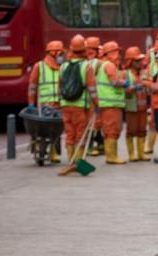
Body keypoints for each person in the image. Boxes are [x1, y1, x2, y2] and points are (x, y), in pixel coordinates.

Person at [59, 35, 96, 163]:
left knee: (69, 133)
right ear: (84, 50)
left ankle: (71, 160)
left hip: (65, 105)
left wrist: (60, 102)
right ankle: (79, 162)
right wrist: (97, 104)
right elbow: (92, 88)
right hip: (80, 106)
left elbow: (60, 86)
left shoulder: (63, 66)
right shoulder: (87, 66)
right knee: (81, 134)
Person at [27, 40, 64, 162]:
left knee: (56, 130)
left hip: (59, 104)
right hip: (44, 104)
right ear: (52, 52)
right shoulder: (39, 66)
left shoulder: (62, 67)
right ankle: (40, 146)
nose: (61, 55)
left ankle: (53, 152)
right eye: (60, 52)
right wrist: (31, 103)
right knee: (44, 130)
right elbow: (32, 86)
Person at [94, 41, 129, 164]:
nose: (119, 55)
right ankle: (112, 156)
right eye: (117, 52)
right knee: (112, 131)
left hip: (107, 104)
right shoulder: (109, 65)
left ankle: (111, 155)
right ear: (111, 53)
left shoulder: (102, 65)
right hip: (111, 105)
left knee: (110, 130)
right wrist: (124, 83)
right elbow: (114, 82)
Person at [124, 46, 150, 162]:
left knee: (142, 130)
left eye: (141, 60)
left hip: (143, 108)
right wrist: (134, 88)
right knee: (131, 130)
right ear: (131, 61)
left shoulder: (143, 73)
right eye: (137, 60)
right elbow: (123, 90)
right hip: (132, 107)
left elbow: (149, 88)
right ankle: (131, 154)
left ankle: (141, 154)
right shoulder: (125, 74)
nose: (140, 62)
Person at [84, 36, 104, 155]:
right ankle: (90, 146)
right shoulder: (98, 63)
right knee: (94, 122)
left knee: (94, 122)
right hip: (95, 96)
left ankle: (99, 144)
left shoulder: (84, 63)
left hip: (86, 96)